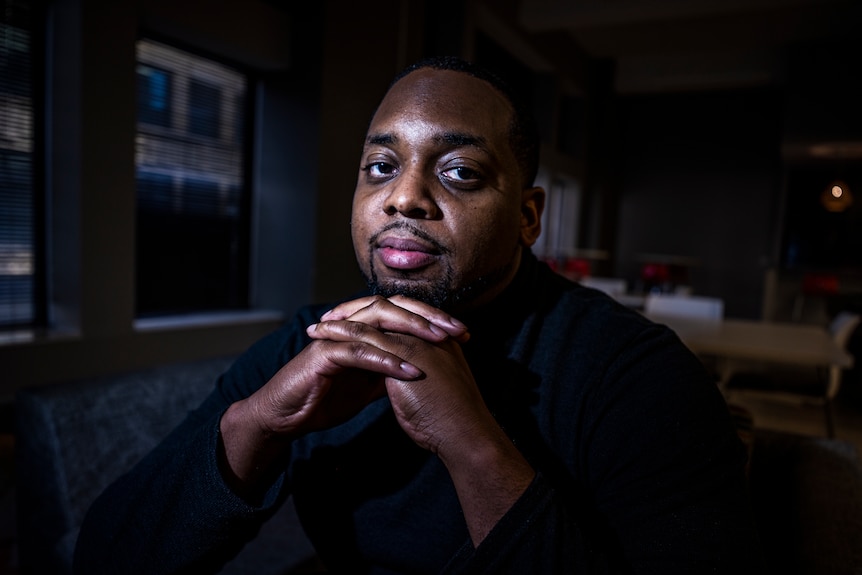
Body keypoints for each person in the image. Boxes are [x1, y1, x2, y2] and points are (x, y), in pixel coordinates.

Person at [74, 56, 762, 574]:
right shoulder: (315, 340)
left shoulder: (636, 377)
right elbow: (105, 557)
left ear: (528, 217)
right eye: (380, 165)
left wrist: (474, 446)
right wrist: (257, 424)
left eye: (459, 172)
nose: (404, 196)